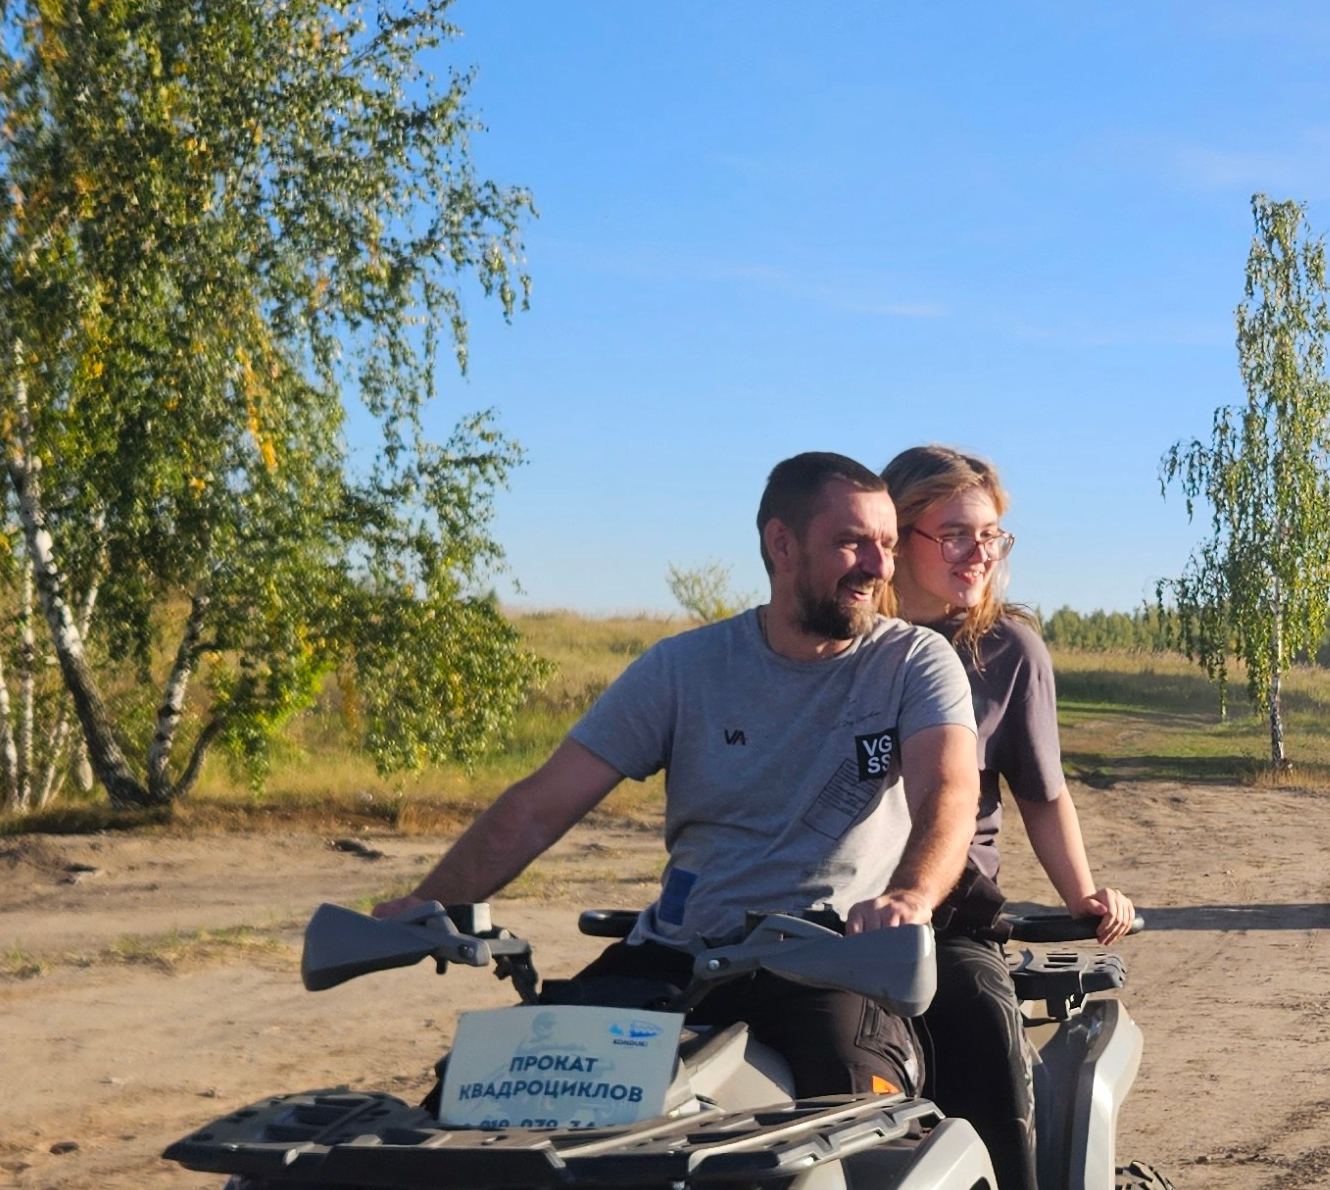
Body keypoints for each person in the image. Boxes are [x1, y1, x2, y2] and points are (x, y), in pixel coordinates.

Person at [370, 452, 979, 1102]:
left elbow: (947, 791)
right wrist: (426, 904)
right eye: (852, 542)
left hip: (827, 961)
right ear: (782, 544)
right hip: (676, 958)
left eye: (886, 545)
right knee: (483, 1097)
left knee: (853, 1122)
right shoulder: (683, 669)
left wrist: (911, 896)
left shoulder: (912, 661)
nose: (879, 567)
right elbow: (539, 806)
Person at [881, 443, 1135, 1190]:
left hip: (948, 915)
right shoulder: (844, 643)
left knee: (990, 1052)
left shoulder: (1006, 650)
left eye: (990, 535)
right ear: (892, 535)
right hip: (825, 909)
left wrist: (1083, 894)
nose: (977, 553)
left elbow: (1041, 794)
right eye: (955, 534)